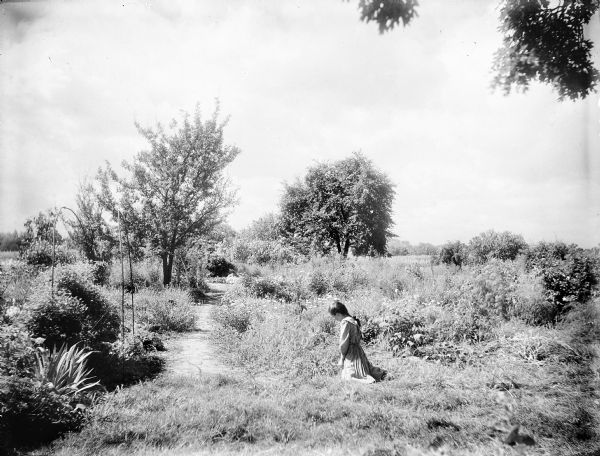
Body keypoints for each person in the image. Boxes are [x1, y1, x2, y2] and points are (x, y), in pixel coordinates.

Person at [329, 300, 387, 383]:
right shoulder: (352, 320)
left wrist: (342, 358)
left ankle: (367, 380)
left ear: (338, 314)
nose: (335, 319)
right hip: (359, 351)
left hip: (352, 354)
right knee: (364, 370)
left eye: (334, 317)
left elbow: (344, 343)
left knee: (347, 377)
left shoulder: (345, 322)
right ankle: (376, 374)